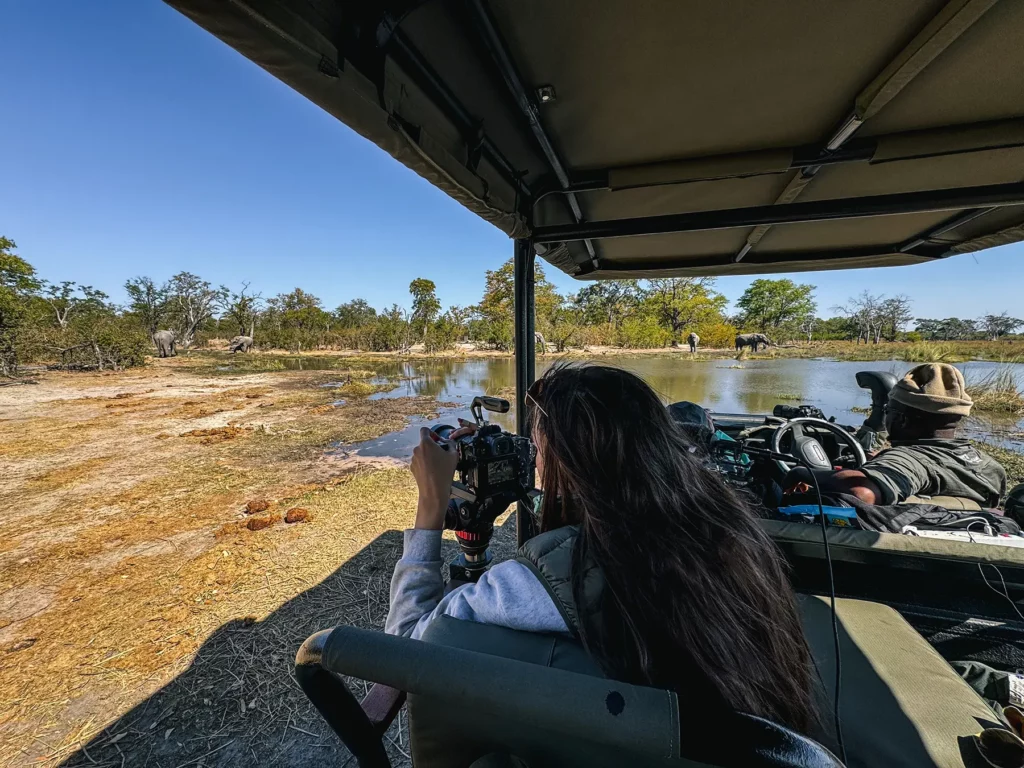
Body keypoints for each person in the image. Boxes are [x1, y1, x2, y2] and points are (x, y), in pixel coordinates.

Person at [386, 362, 816, 733]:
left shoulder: (553, 579)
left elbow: (406, 642)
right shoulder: (718, 522)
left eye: (538, 451)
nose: (534, 461)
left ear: (570, 464)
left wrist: (430, 507)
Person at [814, 363, 1005, 507]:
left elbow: (862, 492)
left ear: (902, 420)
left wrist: (807, 474)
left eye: (888, 410)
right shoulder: (991, 467)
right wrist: (880, 462)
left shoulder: (908, 460)